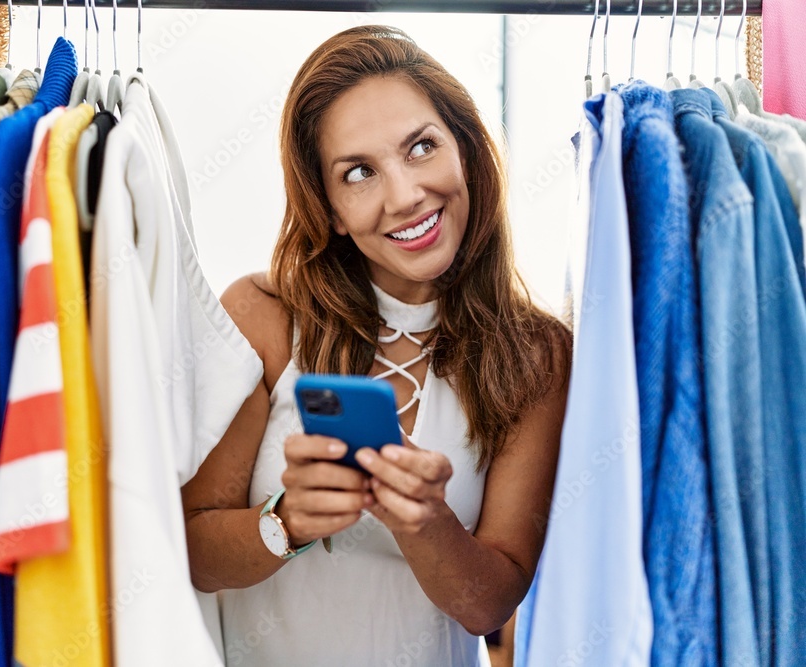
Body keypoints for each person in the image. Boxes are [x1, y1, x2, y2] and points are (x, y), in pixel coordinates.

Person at [182, 24, 571, 667]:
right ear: (330, 207)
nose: (405, 195)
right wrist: (288, 522)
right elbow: (194, 551)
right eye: (359, 172)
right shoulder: (265, 315)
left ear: (465, 151)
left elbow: (490, 604)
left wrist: (426, 522)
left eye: (421, 147)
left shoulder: (536, 354)